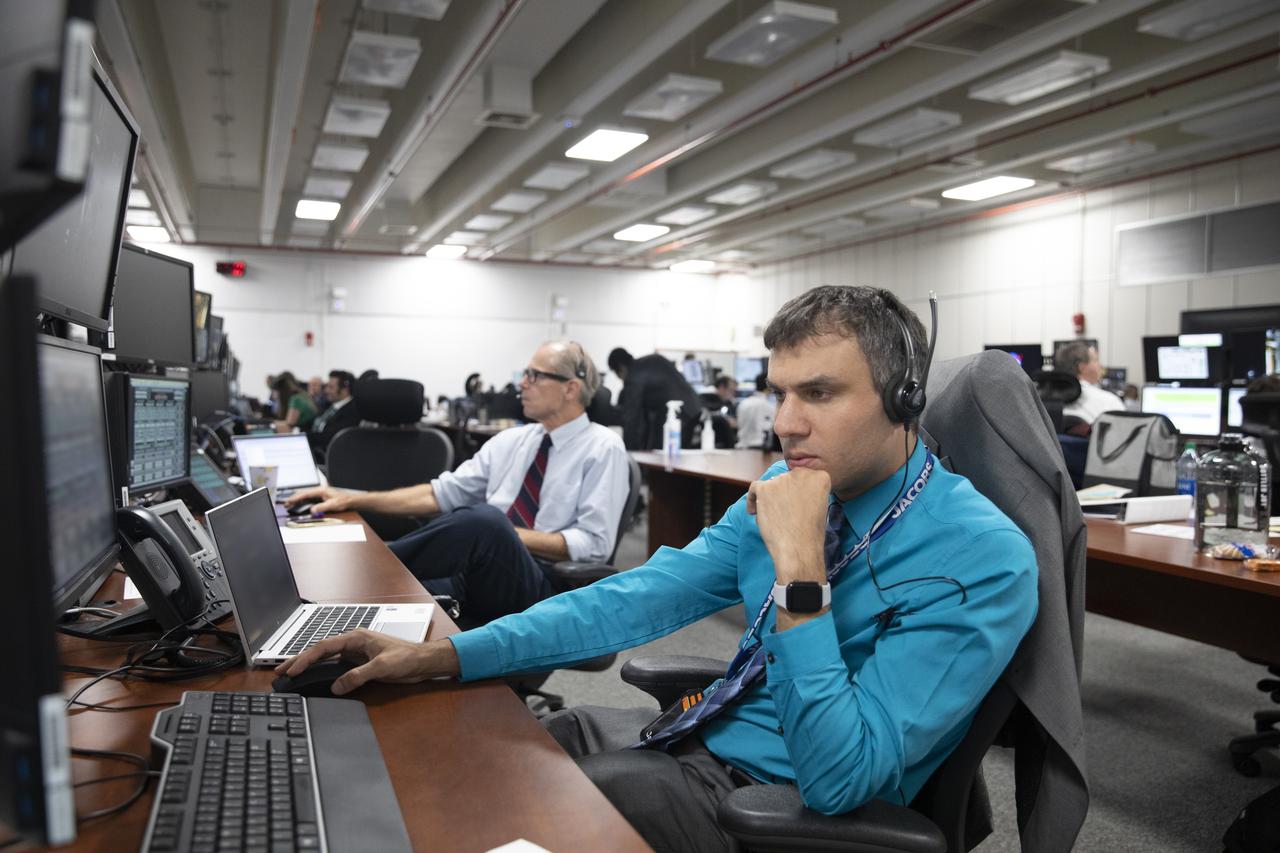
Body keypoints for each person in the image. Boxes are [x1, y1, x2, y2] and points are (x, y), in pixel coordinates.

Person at [278, 286, 1038, 853]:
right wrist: (441, 654)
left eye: (820, 393)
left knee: (520, 810)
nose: (785, 422)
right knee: (480, 736)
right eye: (780, 392)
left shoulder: (980, 558)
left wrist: (802, 573)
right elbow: (631, 598)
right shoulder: (786, 494)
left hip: (783, 801)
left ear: (903, 400)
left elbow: (842, 777)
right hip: (698, 736)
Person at [285, 341, 630, 624]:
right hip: (484, 570)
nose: (522, 383)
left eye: (535, 376)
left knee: (486, 521)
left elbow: (593, 545)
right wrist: (349, 498)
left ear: (571, 388)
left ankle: (356, 570)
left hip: (548, 584)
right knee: (398, 594)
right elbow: (439, 494)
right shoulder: (514, 441)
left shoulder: (603, 448)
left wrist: (504, 536)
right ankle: (323, 601)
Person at [607, 347, 703, 450]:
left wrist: (627, 453)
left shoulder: (633, 377)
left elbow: (632, 418)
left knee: (666, 454)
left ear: (621, 368)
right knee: (676, 454)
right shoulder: (651, 360)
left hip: (678, 413)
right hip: (692, 407)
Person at [1054, 341, 1122, 424]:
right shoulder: (1110, 402)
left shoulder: (1046, 401)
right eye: (1096, 360)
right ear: (1082, 368)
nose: (1100, 365)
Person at [308, 370, 360, 461]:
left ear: (345, 390)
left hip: (325, 458)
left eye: (331, 387)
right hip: (313, 450)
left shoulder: (352, 411)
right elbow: (312, 422)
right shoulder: (331, 405)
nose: (326, 390)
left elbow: (328, 437)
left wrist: (303, 437)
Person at [735, 372, 776, 449]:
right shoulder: (769, 406)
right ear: (769, 386)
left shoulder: (743, 403)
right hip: (761, 449)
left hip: (741, 448)